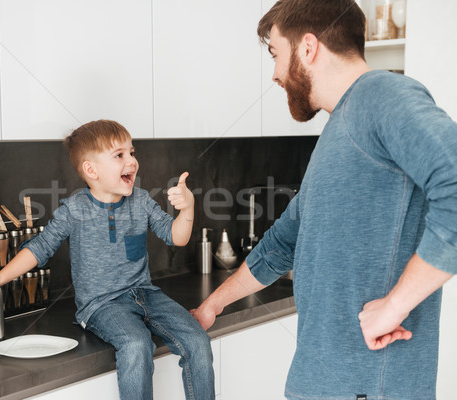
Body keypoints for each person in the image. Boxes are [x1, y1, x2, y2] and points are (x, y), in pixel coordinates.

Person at [192, 1, 456, 399]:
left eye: (276, 54)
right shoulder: (338, 131)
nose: (276, 74)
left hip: (368, 384)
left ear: (309, 48)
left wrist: (396, 305)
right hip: (320, 382)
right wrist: (213, 305)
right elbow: (283, 243)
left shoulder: (382, 95)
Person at [0, 119, 214, 400]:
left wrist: (188, 209)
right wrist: (0, 277)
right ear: (91, 170)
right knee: (136, 344)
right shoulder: (74, 210)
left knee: (197, 340)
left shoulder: (142, 201)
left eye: (132, 152)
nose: (132, 161)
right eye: (119, 155)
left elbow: (177, 237)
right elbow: (41, 247)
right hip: (101, 305)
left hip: (147, 295)